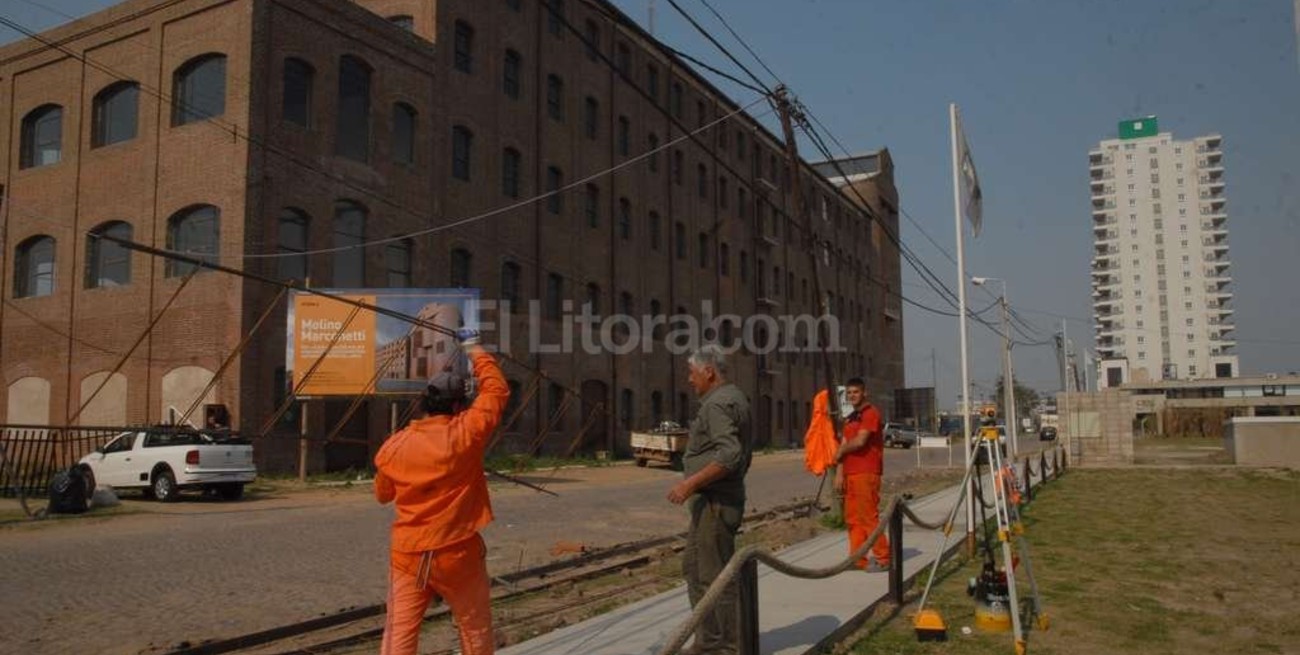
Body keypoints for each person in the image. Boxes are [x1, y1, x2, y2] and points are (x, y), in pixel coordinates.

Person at [374, 329, 508, 655]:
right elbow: (497, 389)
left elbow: (383, 495)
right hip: (458, 553)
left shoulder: (393, 447)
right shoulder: (467, 433)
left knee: (399, 632)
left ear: (424, 404)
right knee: (474, 627)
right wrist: (473, 348)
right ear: (460, 405)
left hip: (409, 556)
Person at [666, 345, 753, 655]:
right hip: (713, 502)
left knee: (716, 578)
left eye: (692, 373)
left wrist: (690, 483)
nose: (690, 380)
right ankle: (708, 641)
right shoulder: (733, 397)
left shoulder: (717, 404)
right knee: (694, 568)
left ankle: (727, 647)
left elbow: (730, 455)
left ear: (709, 372)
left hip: (716, 503)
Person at [833, 377, 890, 572]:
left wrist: (841, 452)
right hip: (851, 474)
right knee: (853, 519)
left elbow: (860, 441)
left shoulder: (870, 413)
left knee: (868, 517)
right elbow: (844, 445)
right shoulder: (851, 418)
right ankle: (857, 559)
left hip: (867, 472)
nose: (852, 396)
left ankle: (883, 558)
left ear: (865, 393)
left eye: (856, 392)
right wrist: (839, 474)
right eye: (849, 393)